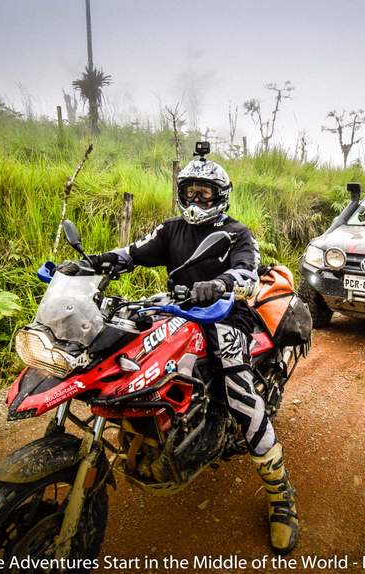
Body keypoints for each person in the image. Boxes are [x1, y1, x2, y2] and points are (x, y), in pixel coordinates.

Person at [86, 151, 299, 555]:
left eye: (206, 193)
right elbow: (131, 253)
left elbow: (247, 272)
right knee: (122, 356)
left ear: (221, 196)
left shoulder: (237, 232)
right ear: (182, 193)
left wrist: (219, 284)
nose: (198, 200)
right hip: (176, 310)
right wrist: (90, 264)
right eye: (191, 192)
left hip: (224, 315)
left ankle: (281, 495)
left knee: (239, 391)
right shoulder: (171, 230)